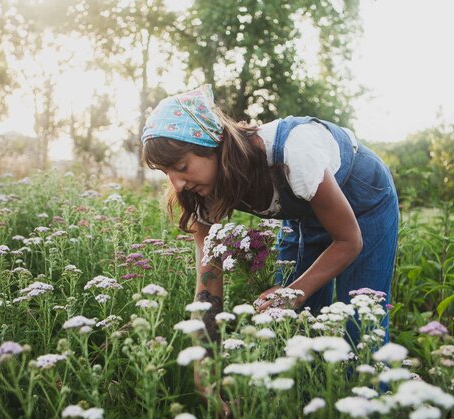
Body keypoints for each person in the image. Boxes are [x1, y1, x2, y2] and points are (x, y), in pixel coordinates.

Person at [141, 84, 398, 347]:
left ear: (213, 145)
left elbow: (348, 241)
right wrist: (206, 355)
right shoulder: (198, 192)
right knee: (294, 327)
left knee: (360, 324)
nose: (177, 184)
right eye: (166, 172)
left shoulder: (294, 153)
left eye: (181, 167)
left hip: (363, 198)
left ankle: (376, 386)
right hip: (305, 210)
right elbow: (208, 280)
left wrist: (292, 292)